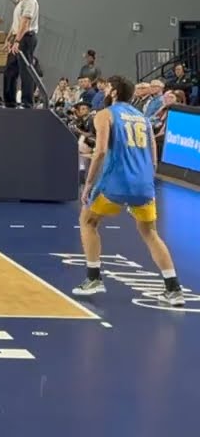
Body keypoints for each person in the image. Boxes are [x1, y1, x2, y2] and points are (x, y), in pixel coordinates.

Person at [72, 76, 184, 306]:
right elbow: (153, 155)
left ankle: (93, 278)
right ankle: (173, 288)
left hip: (116, 181)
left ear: (113, 91)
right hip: (143, 183)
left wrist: (89, 183)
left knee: (88, 221)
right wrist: (146, 180)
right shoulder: (142, 117)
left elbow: (101, 151)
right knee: (150, 233)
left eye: (106, 88)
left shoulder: (105, 114)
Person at [3, 0, 39, 108]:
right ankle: (9, 102)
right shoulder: (19, 3)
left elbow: (25, 23)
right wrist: (9, 39)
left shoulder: (29, 0)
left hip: (26, 38)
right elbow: (16, 24)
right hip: (17, 38)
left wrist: (17, 41)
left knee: (25, 71)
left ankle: (27, 102)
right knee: (9, 71)